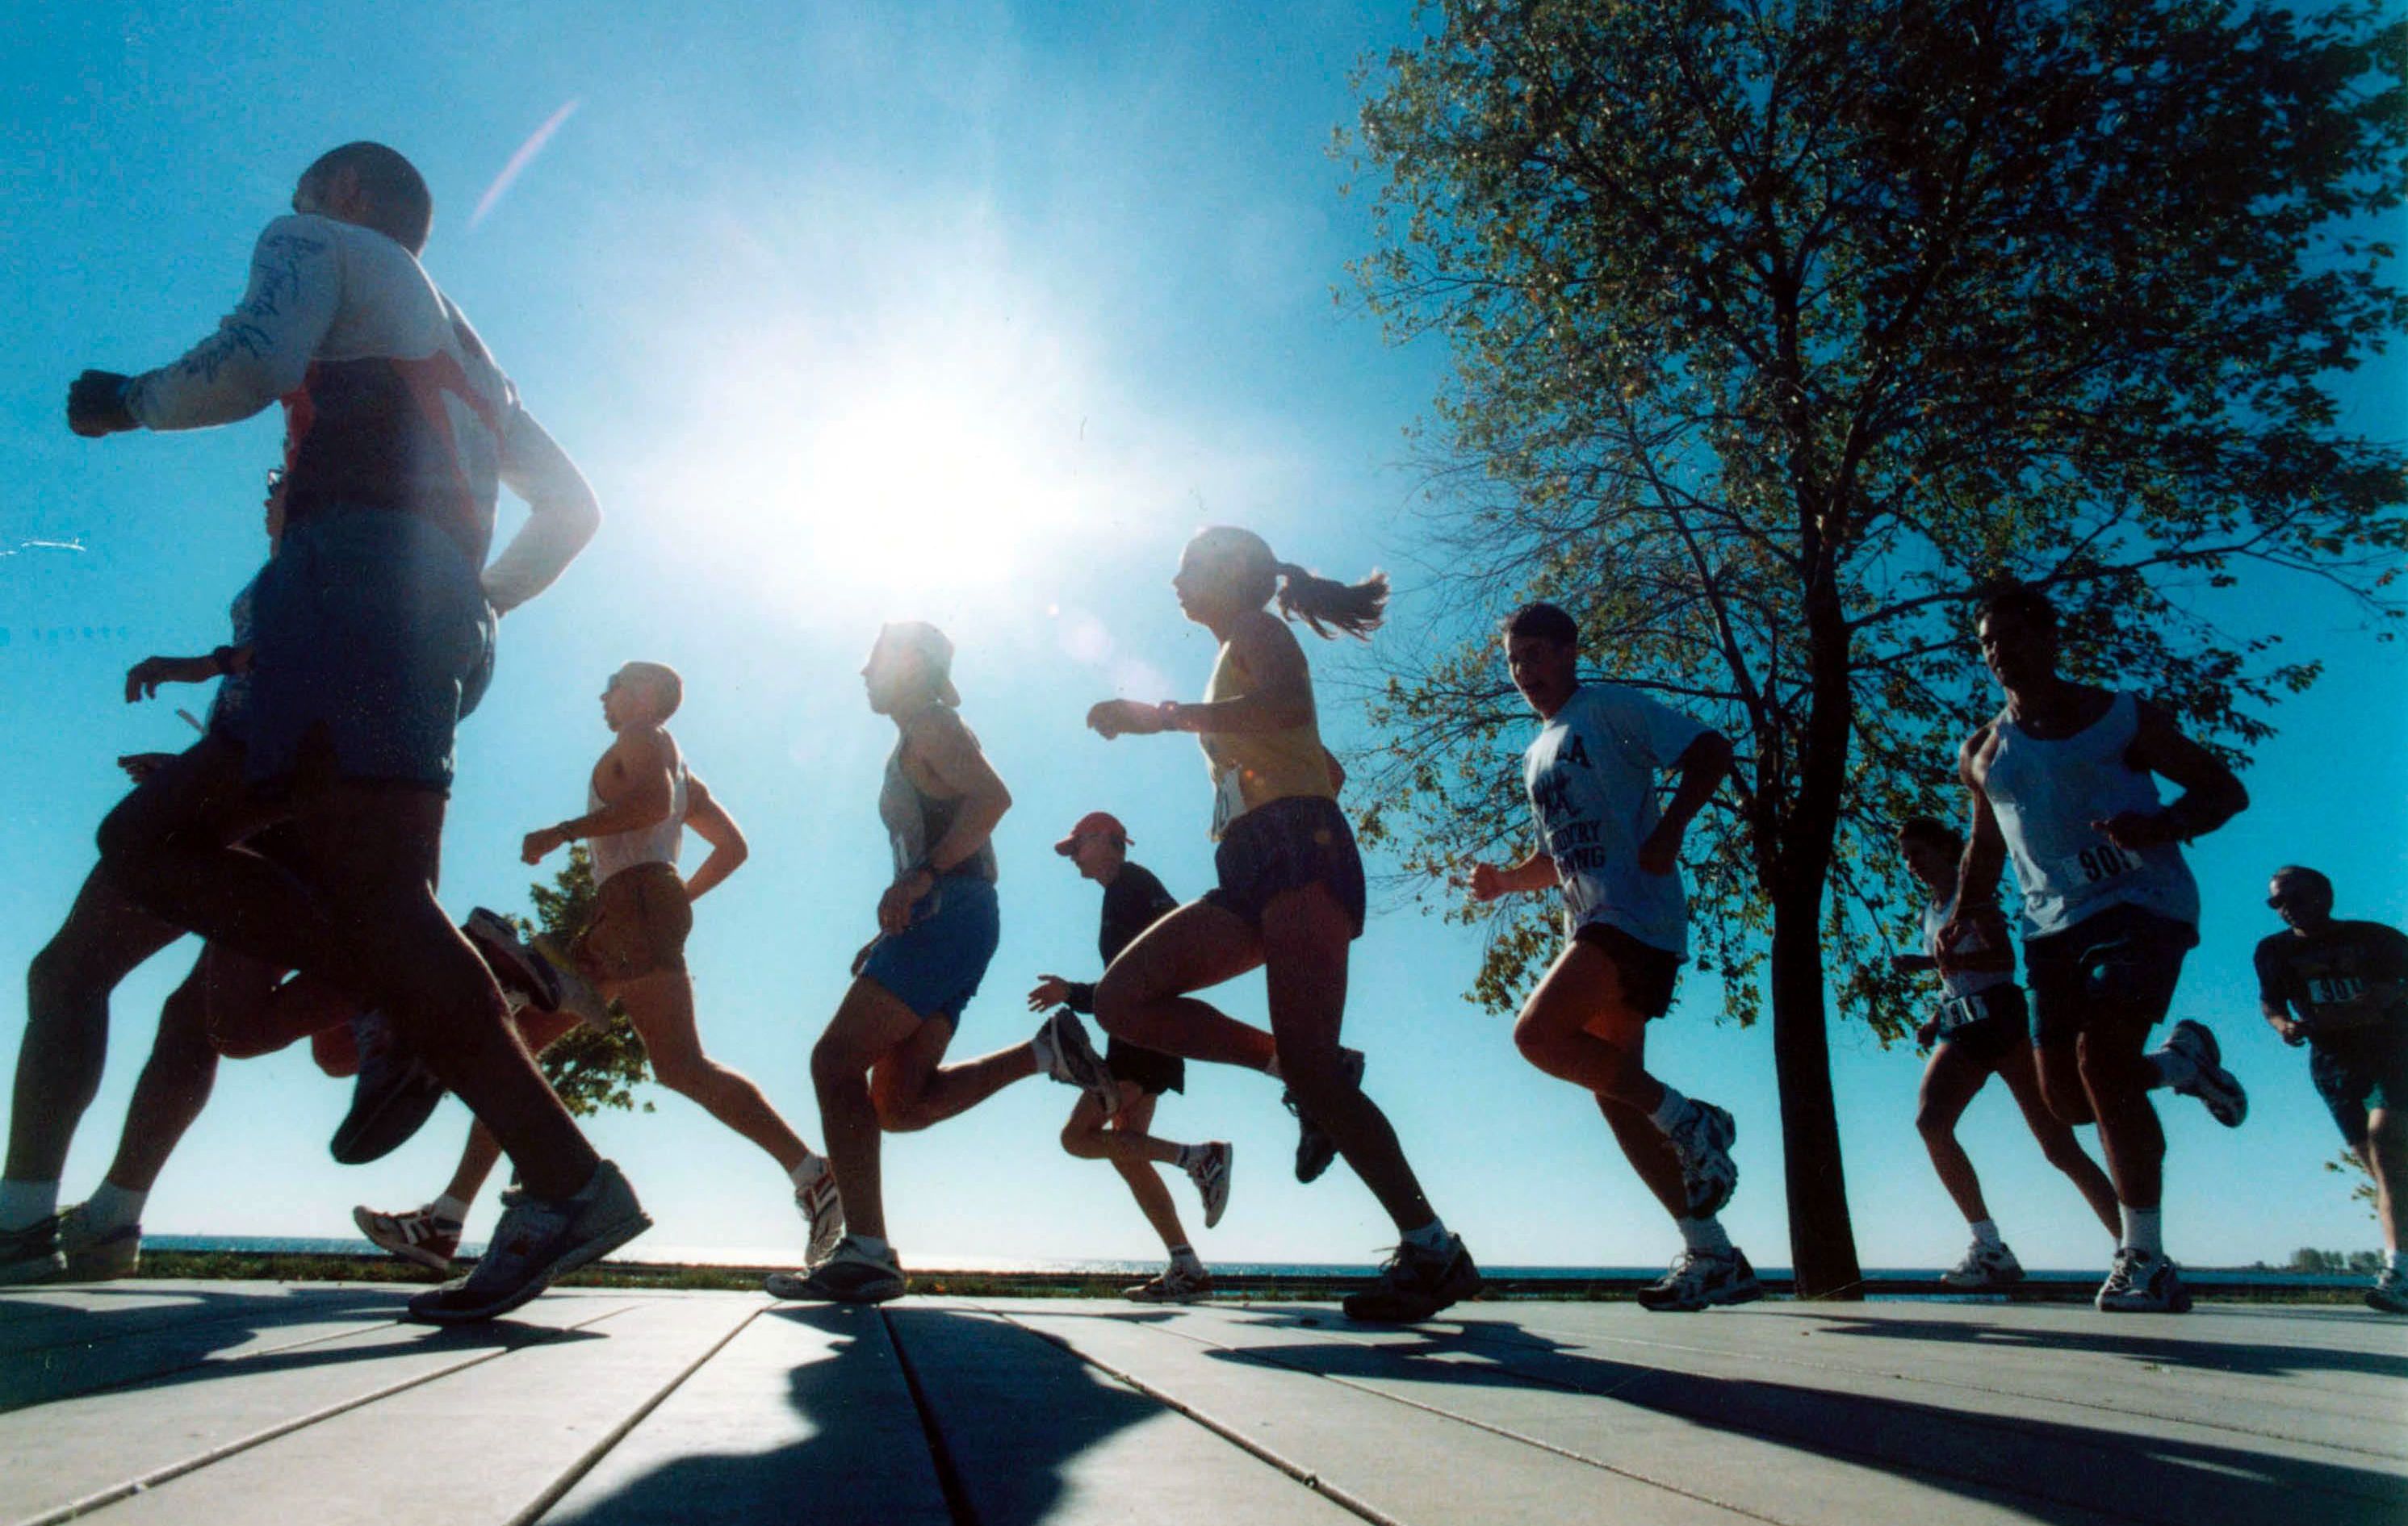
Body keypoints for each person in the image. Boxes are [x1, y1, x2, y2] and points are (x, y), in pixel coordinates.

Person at [69, 141, 640, 1324]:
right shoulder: (475, 355)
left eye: (308, 183)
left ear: (350, 195)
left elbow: (248, 363)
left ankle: (455, 1012)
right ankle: (559, 1166)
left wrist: (122, 403)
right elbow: (574, 508)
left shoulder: (318, 245)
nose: (288, 202)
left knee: (152, 843)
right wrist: (479, 594)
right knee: (365, 896)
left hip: (342, 582)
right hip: (430, 615)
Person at [1085, 527, 1480, 1323]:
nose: (1174, 578)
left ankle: (1433, 1249)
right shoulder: (1239, 644)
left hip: (1299, 850)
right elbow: (1318, 754)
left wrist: (1160, 718)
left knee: (1315, 1069)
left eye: (1188, 566)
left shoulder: (1257, 632)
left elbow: (1291, 706)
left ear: (1230, 577)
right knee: (1122, 1000)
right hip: (1254, 861)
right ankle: (1298, 1073)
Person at [356, 662, 843, 1274]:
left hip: (634, 903)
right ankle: (445, 1220)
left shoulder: (640, 739)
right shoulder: (682, 764)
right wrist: (673, 900)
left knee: (667, 1063)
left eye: (612, 685)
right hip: (633, 907)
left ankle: (813, 1174)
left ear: (642, 694)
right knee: (524, 1049)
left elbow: (651, 803)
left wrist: (564, 833)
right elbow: (732, 846)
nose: (602, 696)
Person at [768, 622, 1116, 1304]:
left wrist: (923, 877)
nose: (862, 672)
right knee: (896, 1104)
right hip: (947, 919)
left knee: (833, 1061)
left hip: (949, 912)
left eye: (873, 659)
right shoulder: (914, 736)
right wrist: (901, 911)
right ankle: (1041, 1053)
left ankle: (865, 1250)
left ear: (910, 665)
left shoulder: (931, 722)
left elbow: (992, 798)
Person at [1946, 580, 2249, 1314]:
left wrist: (2162, 824)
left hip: (2142, 905)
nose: (1998, 652)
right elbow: (1986, 844)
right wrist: (1965, 909)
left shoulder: (2118, 716)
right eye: (1986, 641)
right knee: (2069, 1101)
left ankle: (2143, 1256)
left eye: (2012, 634)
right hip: (2050, 927)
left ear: (2049, 637)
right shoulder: (1983, 751)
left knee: (2101, 1060)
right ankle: (2178, 1065)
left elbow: (2222, 789)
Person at [1465, 601, 1756, 1312]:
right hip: (1590, 918)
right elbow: (1555, 855)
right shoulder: (1537, 749)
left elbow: (1711, 750)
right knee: (1614, 1090)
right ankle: (1711, 1250)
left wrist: (1671, 833)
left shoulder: (1610, 709)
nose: (1525, 671)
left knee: (1536, 1036)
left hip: (1634, 913)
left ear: (1568, 651)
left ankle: (1695, 1121)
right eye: (1514, 661)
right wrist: (1506, 878)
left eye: (1536, 654)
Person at [1891, 815, 2121, 1286]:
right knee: (1931, 1123)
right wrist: (1936, 1013)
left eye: (1917, 852)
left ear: (1944, 850)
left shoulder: (1970, 897)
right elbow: (1952, 975)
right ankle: (1988, 1246)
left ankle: (2134, 1244)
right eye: (1906, 856)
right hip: (1962, 1023)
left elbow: (2002, 960)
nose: (1910, 864)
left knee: (2058, 1148)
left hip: (2003, 1020)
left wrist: (1935, 960)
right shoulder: (1929, 911)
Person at [1029, 810, 1233, 1302]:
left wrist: (1073, 993)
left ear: (1106, 841)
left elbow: (1146, 976)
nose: (1072, 859)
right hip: (1143, 1033)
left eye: (1076, 847)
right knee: (1128, 1149)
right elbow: (1141, 975)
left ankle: (1198, 1158)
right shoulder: (1126, 892)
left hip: (1144, 1035)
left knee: (1077, 1138)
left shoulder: (1132, 888)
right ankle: (1187, 1267)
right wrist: (1076, 994)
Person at [2255, 865, 2408, 1314]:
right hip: (2333, 1067)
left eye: (2294, 898)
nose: (2285, 909)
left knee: (2387, 1146)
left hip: (2392, 1054)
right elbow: (2271, 1003)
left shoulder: (2376, 938)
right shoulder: (2273, 951)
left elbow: (2384, 997)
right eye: (2277, 902)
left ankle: (2397, 1273)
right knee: (2384, 1174)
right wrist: (2283, 1025)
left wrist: (2335, 1017)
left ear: (2324, 895)